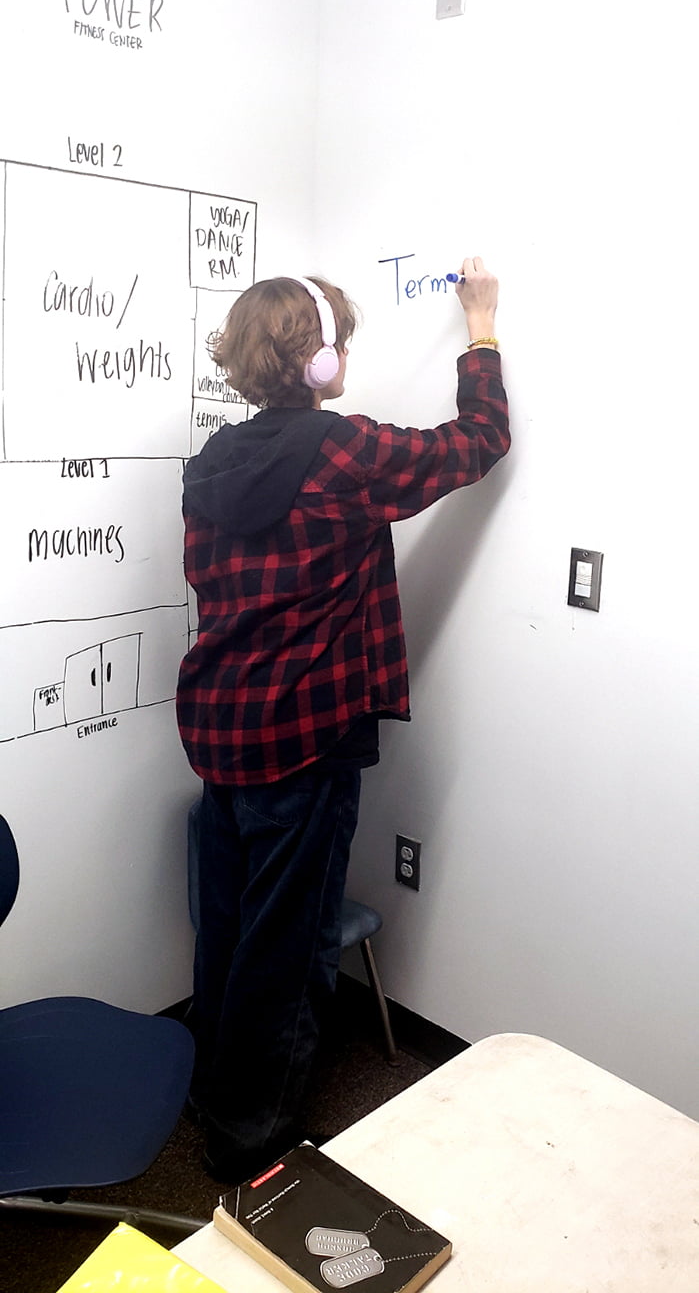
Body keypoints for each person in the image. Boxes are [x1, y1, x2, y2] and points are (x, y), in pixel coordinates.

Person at [175, 257, 510, 1181]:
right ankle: (251, 1142)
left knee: (234, 926)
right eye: (342, 342)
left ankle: (215, 1090)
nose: (347, 354)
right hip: (301, 740)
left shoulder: (212, 463)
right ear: (318, 363)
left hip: (220, 729)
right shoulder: (344, 452)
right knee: (287, 940)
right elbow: (478, 441)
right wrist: (480, 332)